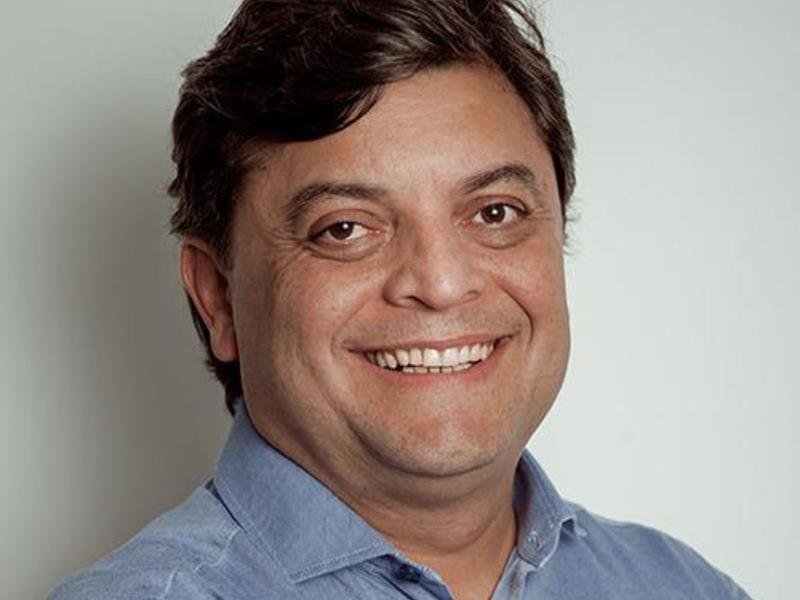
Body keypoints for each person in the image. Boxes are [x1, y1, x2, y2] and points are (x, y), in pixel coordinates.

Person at [48, 1, 752, 598]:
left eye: (496, 213)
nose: (441, 284)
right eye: (345, 228)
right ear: (219, 298)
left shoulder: (681, 586)